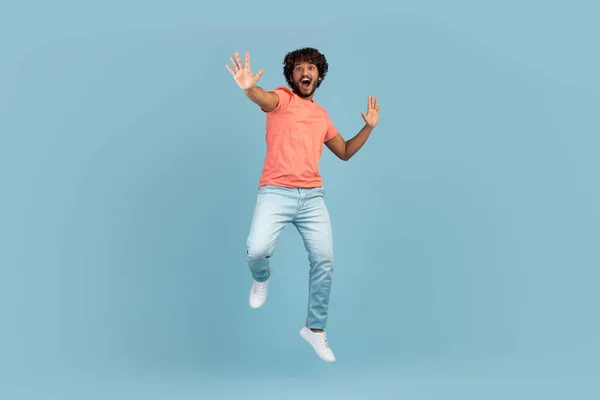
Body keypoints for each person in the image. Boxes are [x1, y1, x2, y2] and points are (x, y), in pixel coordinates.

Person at [226, 48, 380, 363]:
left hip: (312, 198)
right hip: (276, 192)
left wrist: (369, 127)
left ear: (318, 76)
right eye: (298, 69)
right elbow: (262, 98)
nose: (304, 72)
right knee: (256, 250)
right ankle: (262, 277)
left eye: (310, 68)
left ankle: (315, 329)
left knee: (324, 260)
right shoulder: (282, 99)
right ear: (292, 77)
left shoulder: (321, 116)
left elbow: (346, 151)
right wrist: (248, 89)